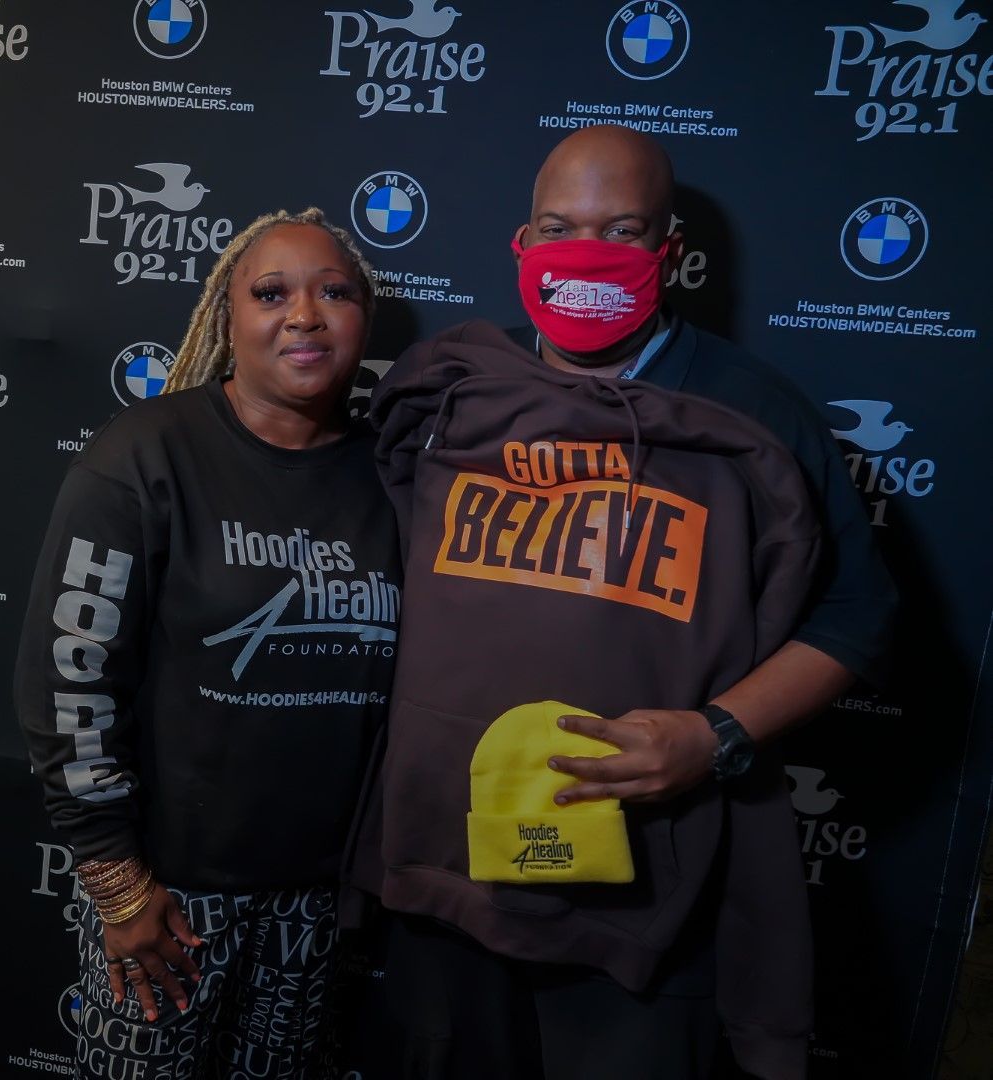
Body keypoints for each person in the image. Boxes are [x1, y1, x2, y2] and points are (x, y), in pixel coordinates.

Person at [347, 125, 896, 1080]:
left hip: (645, 895)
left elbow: (857, 613)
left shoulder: (754, 414)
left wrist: (714, 735)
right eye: (557, 226)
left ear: (669, 254)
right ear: (520, 244)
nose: (584, 252)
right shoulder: (447, 390)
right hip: (445, 873)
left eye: (620, 229)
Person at [16, 208, 402, 1079]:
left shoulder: (392, 473)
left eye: (333, 292)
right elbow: (67, 681)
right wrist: (118, 885)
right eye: (271, 293)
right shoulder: (145, 455)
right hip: (169, 897)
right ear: (227, 319)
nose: (303, 314)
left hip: (316, 901)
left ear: (362, 320)